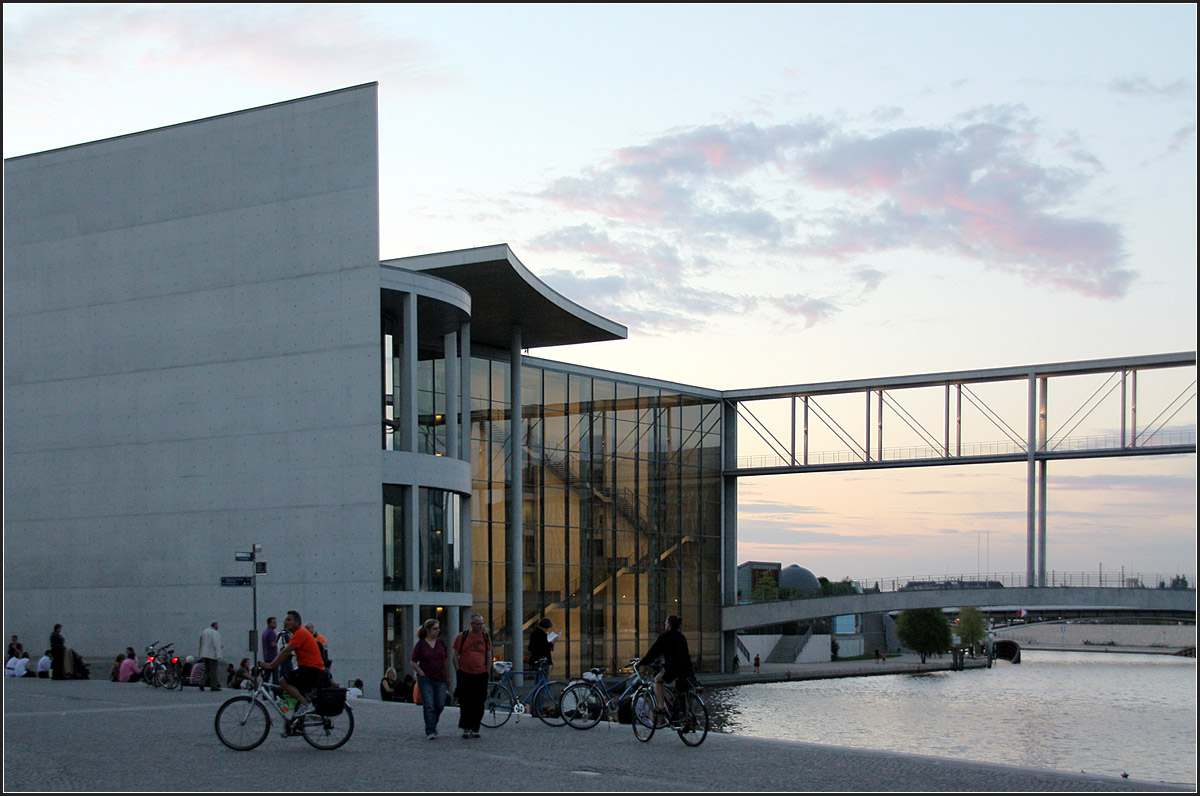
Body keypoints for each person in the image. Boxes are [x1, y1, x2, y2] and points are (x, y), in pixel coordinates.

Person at [260, 610, 332, 717]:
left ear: (297, 622)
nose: (286, 622)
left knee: (283, 682)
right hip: (310, 668)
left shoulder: (300, 633)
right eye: (285, 620)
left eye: (289, 620)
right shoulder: (298, 633)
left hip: (311, 669)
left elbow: (286, 651)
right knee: (295, 689)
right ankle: (296, 722)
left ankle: (307, 705)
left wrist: (271, 665)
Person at [640, 614, 696, 719]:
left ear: (669, 624)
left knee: (658, 680)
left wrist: (643, 662)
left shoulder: (665, 637)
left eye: (666, 623)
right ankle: (685, 718)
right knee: (681, 692)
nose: (665, 625)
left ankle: (661, 707)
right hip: (687, 669)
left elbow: (654, 652)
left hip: (674, 669)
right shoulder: (681, 636)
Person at [452, 614, 492, 739]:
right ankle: (466, 726)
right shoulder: (462, 636)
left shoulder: (485, 637)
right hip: (465, 673)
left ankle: (475, 727)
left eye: (482, 624)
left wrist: (487, 671)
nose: (480, 626)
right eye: (478, 624)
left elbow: (489, 655)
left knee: (479, 702)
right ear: (472, 624)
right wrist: (458, 670)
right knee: (466, 701)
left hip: (481, 673)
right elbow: (455, 655)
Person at [411, 618, 449, 739]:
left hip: (440, 678)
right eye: (434, 629)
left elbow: (446, 659)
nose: (437, 631)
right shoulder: (421, 644)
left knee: (440, 704)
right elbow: (413, 661)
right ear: (428, 630)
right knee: (429, 705)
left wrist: (448, 675)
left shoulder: (441, 643)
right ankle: (430, 730)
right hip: (426, 679)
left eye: (438, 628)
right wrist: (421, 673)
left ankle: (433, 723)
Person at [197, 621, 222, 691]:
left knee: (207, 670)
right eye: (217, 626)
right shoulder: (216, 633)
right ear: (215, 626)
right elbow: (217, 644)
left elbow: (200, 642)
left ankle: (201, 682)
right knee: (213, 671)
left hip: (204, 654)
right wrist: (219, 655)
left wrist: (200, 653)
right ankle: (214, 686)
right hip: (213, 655)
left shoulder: (205, 631)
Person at [261, 617, 279, 684]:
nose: (275, 624)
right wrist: (279, 642)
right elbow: (273, 644)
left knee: (267, 676)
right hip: (273, 658)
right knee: (275, 677)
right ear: (269, 623)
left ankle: (264, 690)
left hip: (267, 657)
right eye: (274, 622)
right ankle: (276, 693)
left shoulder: (265, 632)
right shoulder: (271, 632)